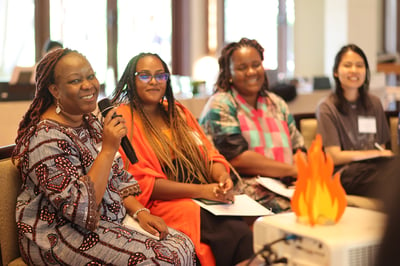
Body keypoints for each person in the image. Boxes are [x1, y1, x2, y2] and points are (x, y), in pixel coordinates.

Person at [11, 48, 197, 265]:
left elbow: (117, 180)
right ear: (54, 89)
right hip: (59, 235)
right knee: (160, 260)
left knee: (182, 244)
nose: (88, 85)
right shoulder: (44, 140)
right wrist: (108, 149)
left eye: (91, 76)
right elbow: (79, 209)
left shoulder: (90, 122)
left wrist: (141, 213)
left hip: (107, 221)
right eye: (75, 81)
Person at [111, 52, 254, 266]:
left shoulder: (177, 112)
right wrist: (202, 191)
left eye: (160, 76)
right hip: (163, 202)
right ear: (131, 80)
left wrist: (222, 177)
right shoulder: (123, 119)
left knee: (254, 224)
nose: (153, 82)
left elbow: (208, 155)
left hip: (205, 194)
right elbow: (143, 185)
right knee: (237, 233)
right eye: (144, 76)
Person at [198, 38, 306, 213]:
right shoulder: (221, 104)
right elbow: (237, 158)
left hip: (285, 185)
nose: (251, 72)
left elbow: (298, 147)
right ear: (229, 74)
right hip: (242, 188)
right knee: (295, 212)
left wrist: (301, 174)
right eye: (242, 68)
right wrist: (293, 170)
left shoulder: (277, 103)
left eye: (256, 65)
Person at [316, 43, 394, 198]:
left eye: (359, 65)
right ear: (336, 72)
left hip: (374, 168)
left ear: (366, 71)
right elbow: (334, 156)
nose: (354, 70)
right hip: (344, 173)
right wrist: (374, 153)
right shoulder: (327, 107)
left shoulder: (375, 103)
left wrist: (380, 155)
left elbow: (382, 147)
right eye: (347, 65)